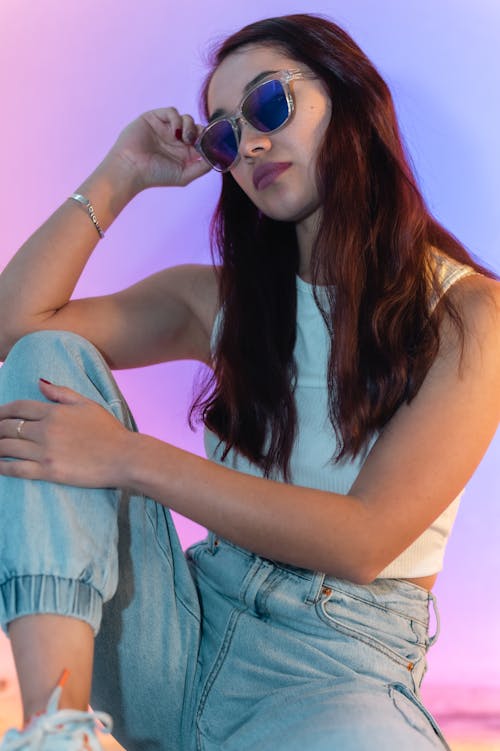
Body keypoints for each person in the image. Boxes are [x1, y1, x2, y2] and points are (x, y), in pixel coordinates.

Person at [0, 12, 498, 751]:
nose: (251, 144)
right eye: (226, 137)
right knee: (48, 360)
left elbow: (363, 539)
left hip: (336, 673)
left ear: (350, 97)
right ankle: (55, 727)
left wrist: (128, 457)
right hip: (179, 636)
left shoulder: (467, 314)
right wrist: (121, 175)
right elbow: (18, 326)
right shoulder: (217, 301)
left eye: (269, 105)